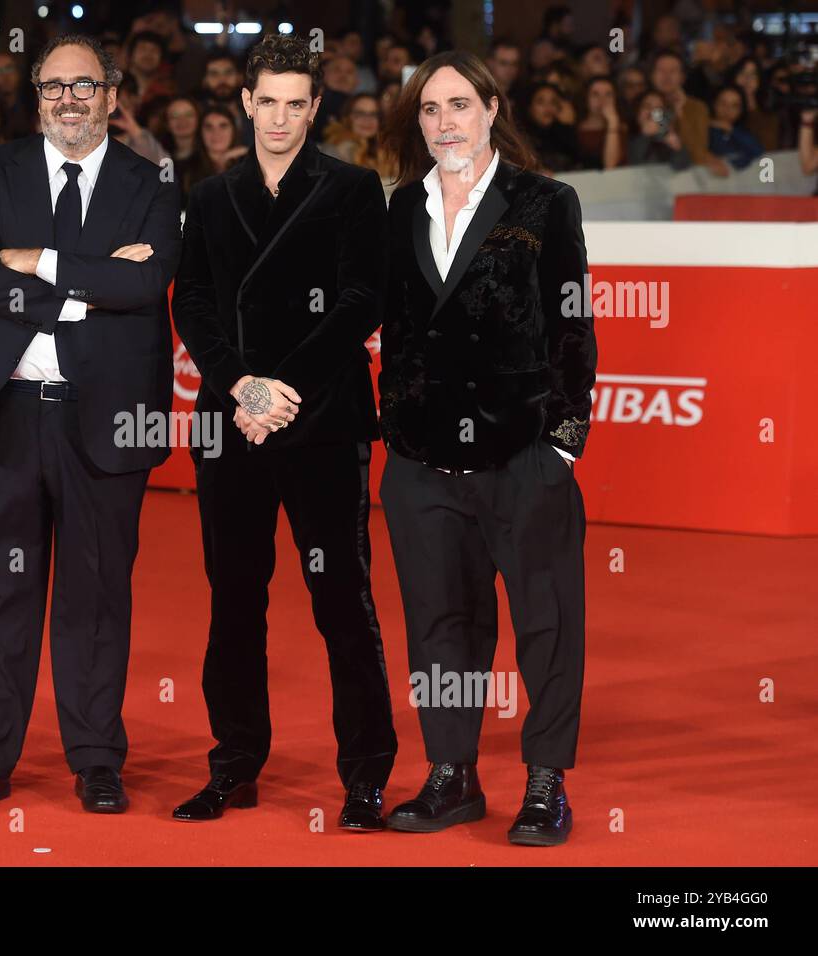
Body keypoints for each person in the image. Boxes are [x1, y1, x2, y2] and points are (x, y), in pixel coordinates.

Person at [0, 33, 181, 816]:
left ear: (113, 95)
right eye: (52, 86)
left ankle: (96, 759)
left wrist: (36, 261)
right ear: (36, 96)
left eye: (84, 85)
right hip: (2, 415)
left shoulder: (154, 184)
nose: (67, 99)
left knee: (97, 596)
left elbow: (145, 285)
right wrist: (86, 289)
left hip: (106, 420)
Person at [170, 32, 398, 830]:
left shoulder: (352, 187)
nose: (279, 117)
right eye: (266, 101)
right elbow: (190, 300)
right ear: (244, 102)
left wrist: (284, 386)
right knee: (234, 598)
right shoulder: (209, 196)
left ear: (314, 107)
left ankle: (366, 774)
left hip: (323, 423)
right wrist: (239, 384)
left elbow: (361, 301)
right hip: (231, 422)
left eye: (295, 104)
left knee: (341, 598)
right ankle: (234, 763)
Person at [378, 51, 596, 846]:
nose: (445, 123)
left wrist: (562, 444)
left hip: (523, 457)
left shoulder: (544, 203)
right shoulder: (402, 207)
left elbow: (573, 323)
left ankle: (545, 783)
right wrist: (398, 430)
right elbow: (394, 328)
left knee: (547, 624)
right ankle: (452, 774)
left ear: (492, 109)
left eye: (459, 106)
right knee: (440, 624)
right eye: (430, 110)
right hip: (422, 464)